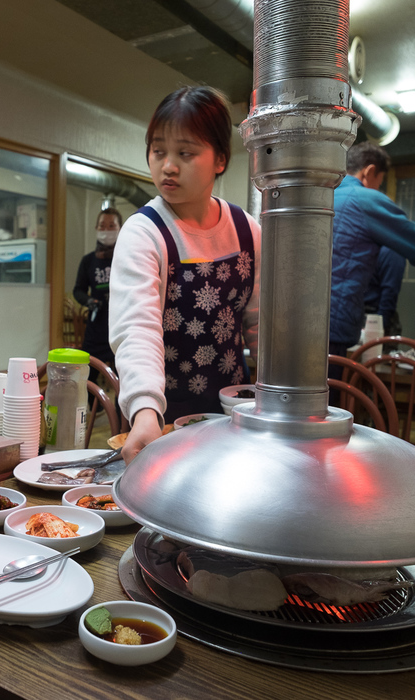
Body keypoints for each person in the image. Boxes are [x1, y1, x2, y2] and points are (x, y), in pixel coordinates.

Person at [109, 86, 261, 463]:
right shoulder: (145, 231)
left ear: (220, 159)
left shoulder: (247, 230)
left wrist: (272, 404)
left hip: (235, 416)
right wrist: (145, 411)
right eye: (158, 151)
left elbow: (261, 326)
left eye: (185, 153)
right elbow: (137, 329)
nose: (168, 166)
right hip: (165, 419)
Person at [329, 142, 415, 367]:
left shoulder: (323, 196)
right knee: (328, 399)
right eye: (378, 183)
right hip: (333, 326)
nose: (377, 190)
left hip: (291, 324)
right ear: (369, 172)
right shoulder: (366, 199)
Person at [72, 207, 123, 372]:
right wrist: (89, 301)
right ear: (96, 228)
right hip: (96, 329)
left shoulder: (126, 258)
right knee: (87, 379)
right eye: (102, 226)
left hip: (121, 328)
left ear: (120, 228)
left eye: (111, 226)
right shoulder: (88, 261)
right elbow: (78, 290)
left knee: (122, 383)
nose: (106, 230)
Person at [362, 246, 405, 336]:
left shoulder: (391, 252)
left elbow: (390, 293)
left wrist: (379, 327)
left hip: (376, 317)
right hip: (360, 316)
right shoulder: (388, 251)